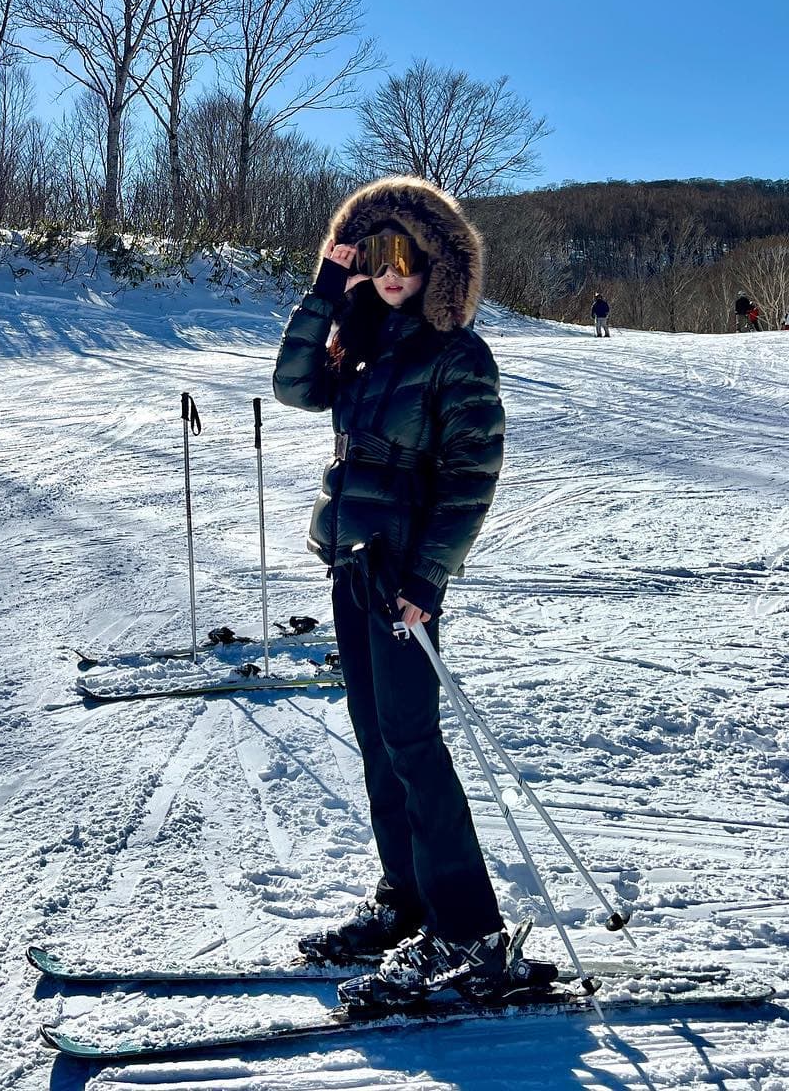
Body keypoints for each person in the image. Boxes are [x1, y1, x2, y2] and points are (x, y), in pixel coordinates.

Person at [273, 175, 517, 1012]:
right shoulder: (365, 347)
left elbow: (471, 473)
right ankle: (407, 899)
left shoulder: (456, 354)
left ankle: (470, 932)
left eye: (408, 256)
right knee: (377, 738)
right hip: (351, 561)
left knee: (413, 742)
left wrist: (428, 577)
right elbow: (294, 387)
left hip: (403, 574)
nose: (391, 271)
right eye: (377, 254)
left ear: (439, 264)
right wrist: (321, 295)